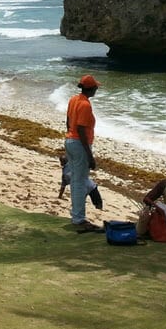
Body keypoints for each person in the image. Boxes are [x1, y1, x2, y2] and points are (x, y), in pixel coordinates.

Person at [65, 74, 101, 232]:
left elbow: (68, 121)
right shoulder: (85, 105)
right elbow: (81, 129)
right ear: (91, 88)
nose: (96, 89)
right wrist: (89, 155)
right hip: (79, 144)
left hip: (70, 141)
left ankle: (76, 214)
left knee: (76, 180)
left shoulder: (74, 99)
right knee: (79, 182)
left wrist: (69, 135)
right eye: (95, 87)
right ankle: (79, 219)